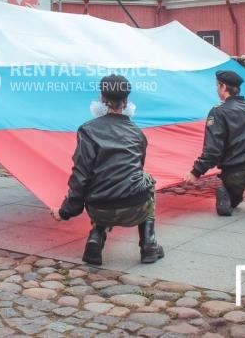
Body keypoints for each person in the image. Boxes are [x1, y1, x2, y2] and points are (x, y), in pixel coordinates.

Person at [51, 75, 164, 266]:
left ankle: (95, 240)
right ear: (126, 101)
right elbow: (137, 170)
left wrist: (66, 211)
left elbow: (81, 175)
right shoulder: (138, 133)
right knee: (146, 180)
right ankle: (149, 245)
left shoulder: (87, 130)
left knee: (101, 180)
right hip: (136, 208)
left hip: (100, 209)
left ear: (102, 98)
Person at [183, 70, 245, 216]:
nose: (216, 90)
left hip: (234, 172)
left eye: (217, 86)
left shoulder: (218, 112)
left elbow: (213, 150)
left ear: (223, 87)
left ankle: (229, 195)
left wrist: (195, 172)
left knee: (232, 197)